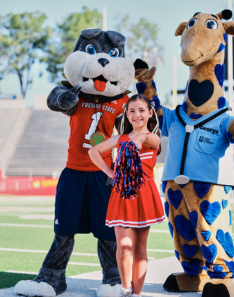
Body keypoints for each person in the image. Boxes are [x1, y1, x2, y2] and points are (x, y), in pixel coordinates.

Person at [89, 94, 164, 297]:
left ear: (150, 113)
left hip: (144, 195)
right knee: (123, 245)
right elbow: (94, 152)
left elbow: (149, 139)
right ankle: (125, 289)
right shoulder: (120, 139)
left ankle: (137, 294)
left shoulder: (154, 138)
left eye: (141, 110)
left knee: (140, 247)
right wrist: (110, 173)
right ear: (127, 114)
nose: (136, 115)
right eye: (132, 111)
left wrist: (138, 138)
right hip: (122, 194)